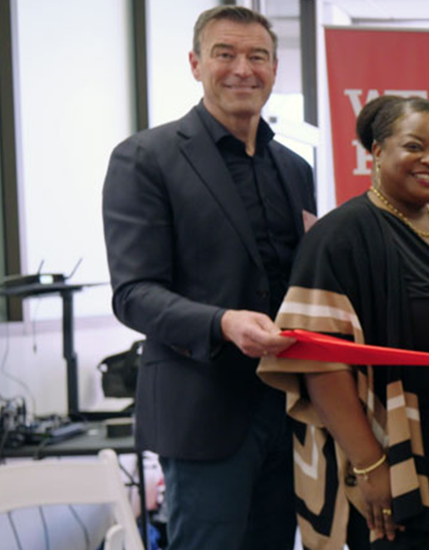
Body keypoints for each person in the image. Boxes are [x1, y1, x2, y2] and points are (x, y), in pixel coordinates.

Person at [101, 6, 312, 549]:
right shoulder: (145, 159)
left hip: (289, 406)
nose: (243, 68)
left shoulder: (294, 168)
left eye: (257, 56)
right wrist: (221, 323)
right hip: (203, 410)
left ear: (274, 67)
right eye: (225, 54)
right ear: (196, 64)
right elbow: (134, 294)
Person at [257, 96, 429, 550]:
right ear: (377, 151)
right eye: (414, 146)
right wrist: (371, 465)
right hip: (391, 453)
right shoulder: (340, 236)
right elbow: (319, 361)